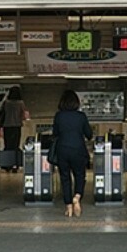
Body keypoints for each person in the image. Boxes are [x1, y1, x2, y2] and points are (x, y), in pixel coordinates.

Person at [52, 89, 92, 217]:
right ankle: (77, 196)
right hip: (78, 149)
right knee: (80, 175)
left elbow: (55, 134)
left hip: (62, 149)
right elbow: (89, 134)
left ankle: (68, 207)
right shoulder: (81, 116)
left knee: (65, 178)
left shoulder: (59, 116)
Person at [0, 86, 28, 172]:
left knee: (8, 145)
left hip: (7, 126)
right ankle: (15, 165)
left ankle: (7, 165)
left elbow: (1, 113)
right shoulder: (21, 103)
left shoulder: (6, 103)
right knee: (15, 146)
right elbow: (23, 116)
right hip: (16, 126)